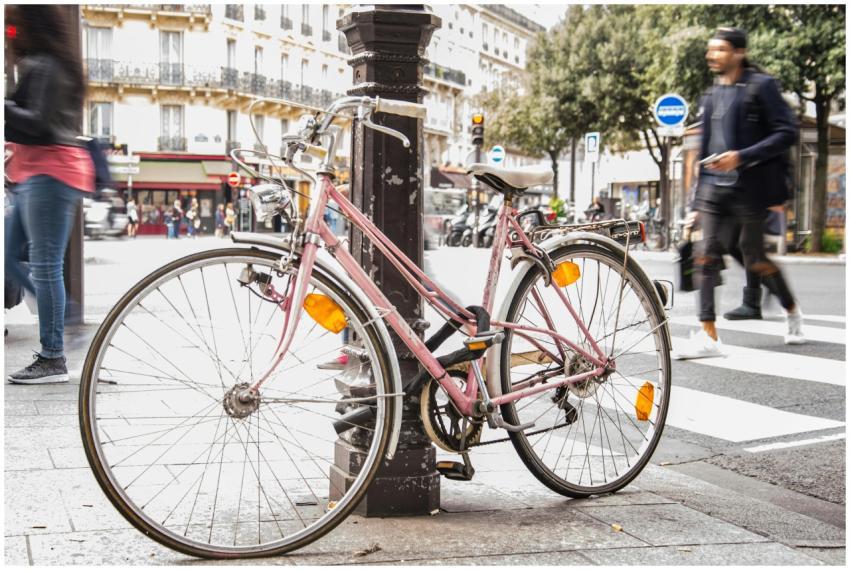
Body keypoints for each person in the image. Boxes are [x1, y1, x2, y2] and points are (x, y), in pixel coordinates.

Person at [674, 27, 803, 360]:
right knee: (705, 256)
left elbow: (786, 132)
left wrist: (742, 157)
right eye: (711, 50)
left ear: (738, 53)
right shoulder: (711, 95)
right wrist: (695, 203)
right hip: (715, 192)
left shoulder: (762, 87)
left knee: (755, 258)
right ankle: (708, 335)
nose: (711, 55)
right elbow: (704, 152)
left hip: (750, 189)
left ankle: (791, 309)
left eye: (719, 49)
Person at [4, 5, 95, 384]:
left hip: (50, 173)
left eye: (15, 25)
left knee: (44, 266)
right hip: (36, 173)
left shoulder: (47, 66)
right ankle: (67, 320)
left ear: (30, 25)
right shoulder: (47, 64)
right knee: (9, 257)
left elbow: (39, 124)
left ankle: (53, 355)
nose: (12, 31)